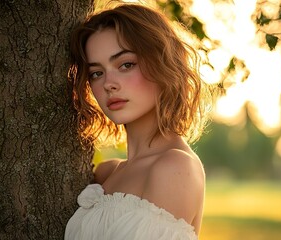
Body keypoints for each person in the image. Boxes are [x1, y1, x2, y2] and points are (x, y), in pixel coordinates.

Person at [65, 2, 211, 239]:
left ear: (162, 63)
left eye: (126, 64)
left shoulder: (175, 167)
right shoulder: (106, 172)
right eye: (96, 73)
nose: (108, 83)